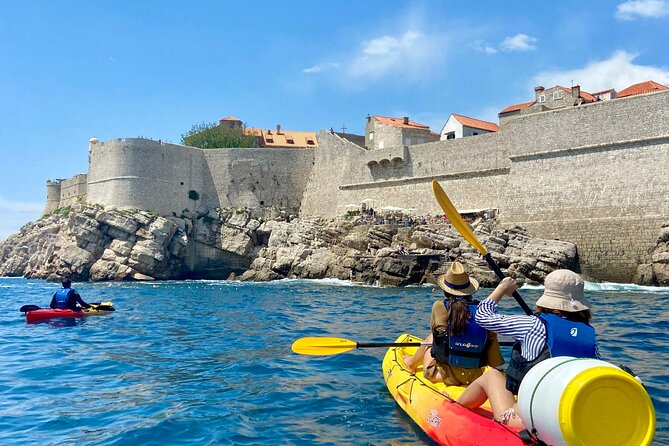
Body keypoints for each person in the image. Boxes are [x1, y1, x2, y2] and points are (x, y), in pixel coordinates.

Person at [456, 269, 598, 428]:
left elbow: (482, 317)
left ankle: (453, 408)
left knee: (493, 375)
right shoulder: (589, 334)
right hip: (571, 411)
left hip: (537, 418)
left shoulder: (533, 325)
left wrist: (502, 288)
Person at [403, 262, 504, 386]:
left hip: (443, 376)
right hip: (474, 376)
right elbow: (492, 346)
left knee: (432, 337)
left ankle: (411, 363)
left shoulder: (439, 306)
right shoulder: (484, 311)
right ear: (470, 291)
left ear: (446, 290)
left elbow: (437, 337)